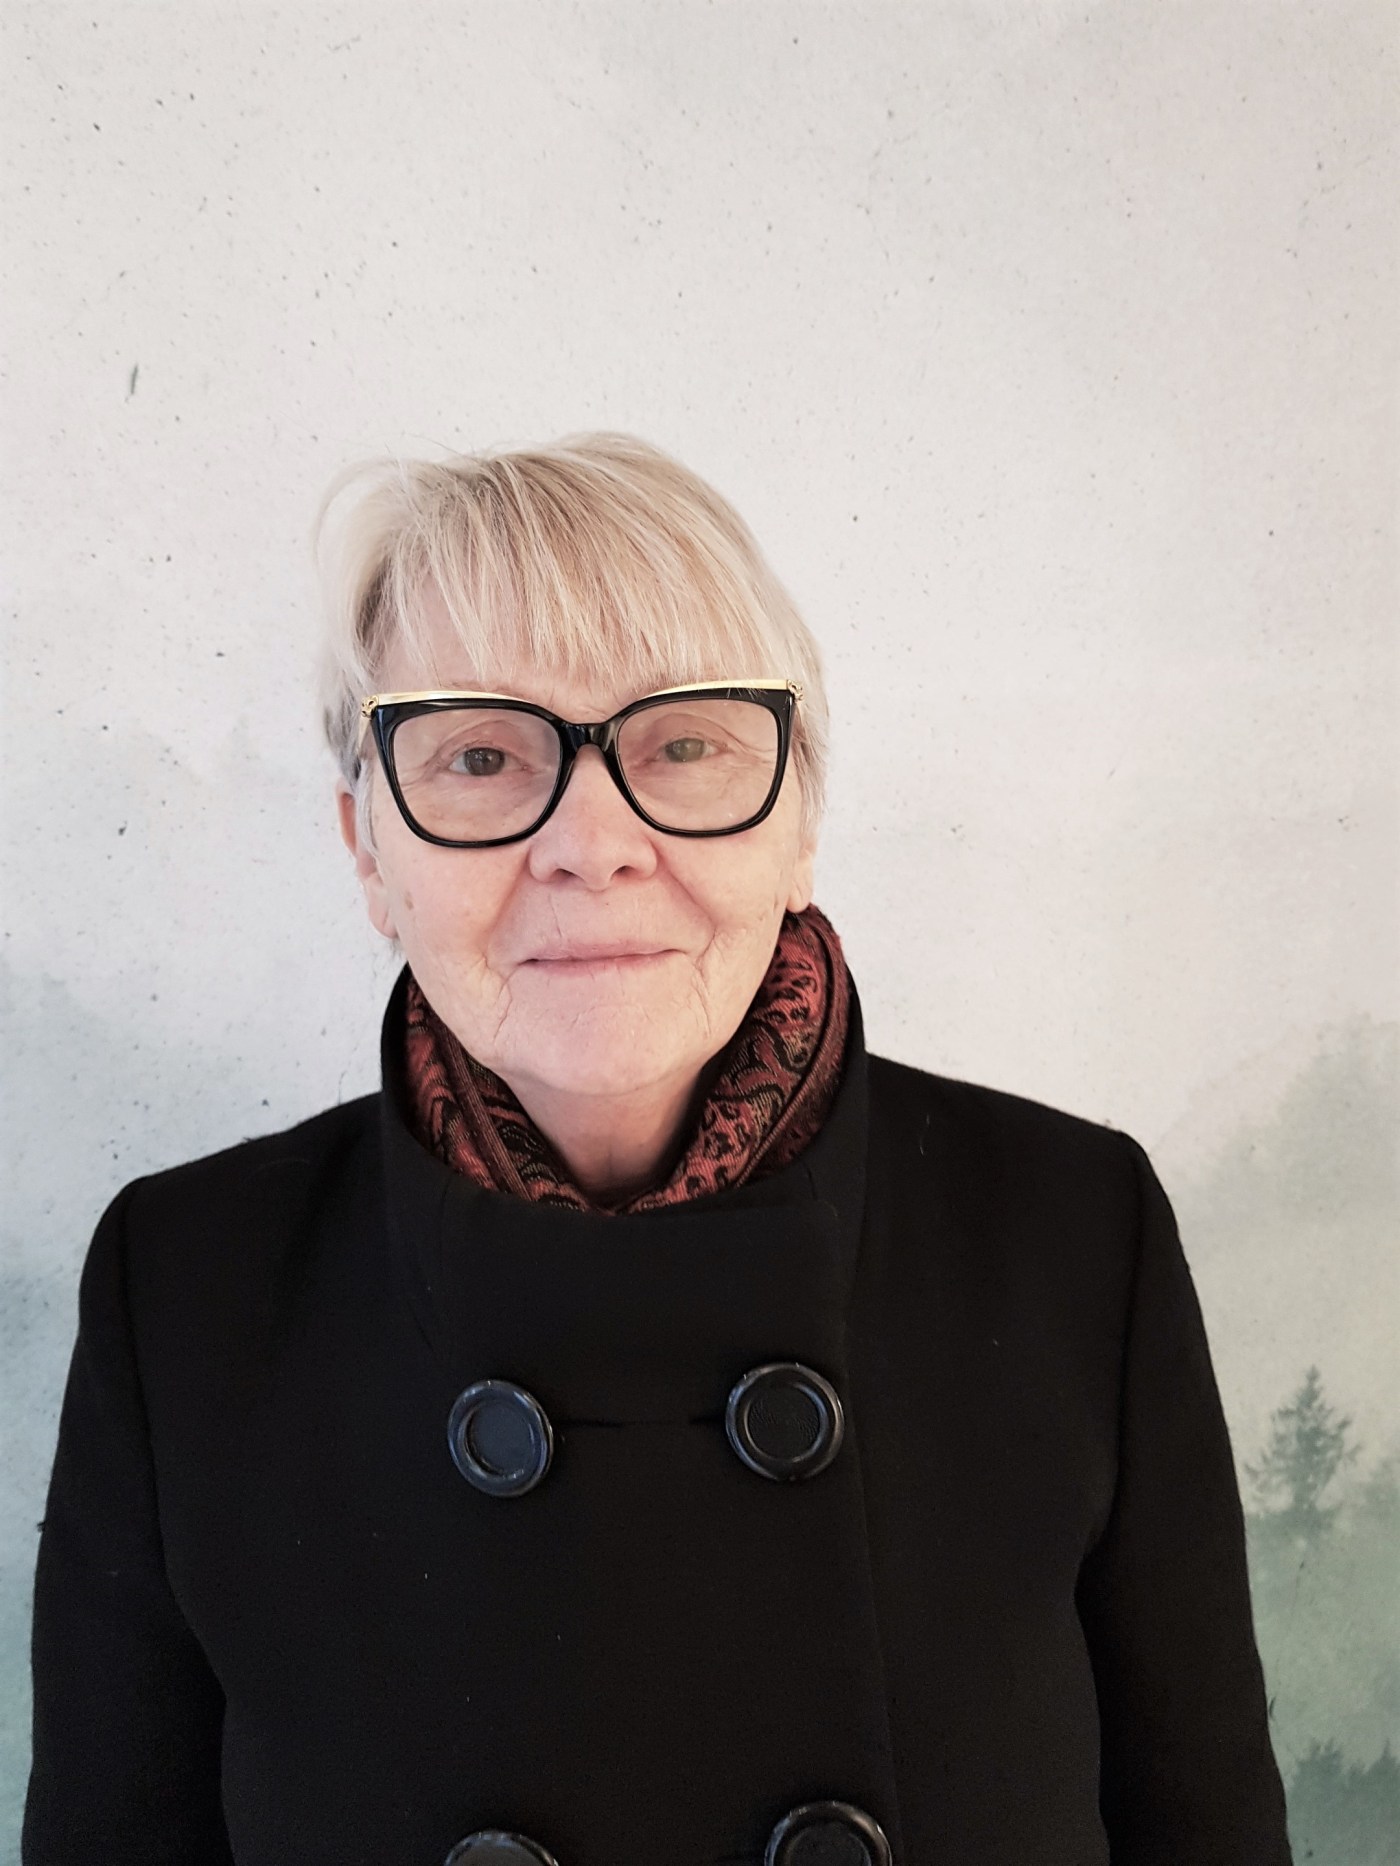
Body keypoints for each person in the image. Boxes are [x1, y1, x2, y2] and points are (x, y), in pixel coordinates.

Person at [22, 433, 1294, 1865]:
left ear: (799, 823)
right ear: (367, 848)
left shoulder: (1076, 1234)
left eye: (683, 745)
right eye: (481, 755)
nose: (593, 840)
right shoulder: (185, 1287)